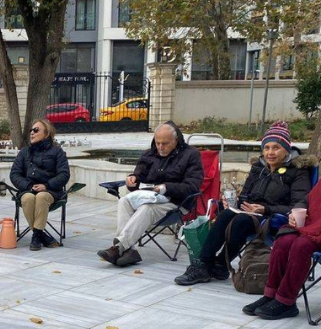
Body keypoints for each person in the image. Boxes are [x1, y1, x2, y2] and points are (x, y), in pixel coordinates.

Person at [175, 121, 312, 285]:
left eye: (276, 148)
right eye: (266, 148)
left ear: (286, 150)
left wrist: (265, 209)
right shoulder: (258, 168)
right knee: (226, 214)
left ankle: (220, 264)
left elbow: (298, 206)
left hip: (276, 218)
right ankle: (204, 264)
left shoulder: (298, 172)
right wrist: (232, 203)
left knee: (242, 220)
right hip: (251, 213)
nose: (270, 153)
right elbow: (246, 196)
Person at [98, 121, 203, 267]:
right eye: (158, 142)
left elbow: (192, 186)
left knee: (146, 209)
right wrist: (132, 180)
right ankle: (129, 251)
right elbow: (138, 179)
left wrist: (166, 187)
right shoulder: (149, 154)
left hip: (176, 203)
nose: (160, 147)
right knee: (124, 201)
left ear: (176, 140)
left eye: (165, 143)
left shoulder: (191, 155)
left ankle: (118, 248)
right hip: (148, 197)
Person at [243, 181, 321, 320]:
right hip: (311, 226)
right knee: (283, 242)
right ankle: (270, 295)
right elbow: (306, 200)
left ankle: (286, 301)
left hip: (316, 232)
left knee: (301, 246)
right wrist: (294, 213)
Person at [10, 119, 70, 251]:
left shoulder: (57, 152)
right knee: (27, 198)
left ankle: (36, 236)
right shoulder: (24, 152)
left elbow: (64, 174)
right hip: (28, 189)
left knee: (42, 196)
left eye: (36, 130)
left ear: (47, 133)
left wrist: (47, 185)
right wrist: (29, 186)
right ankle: (40, 235)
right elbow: (14, 174)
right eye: (31, 130)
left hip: (50, 190)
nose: (32, 133)